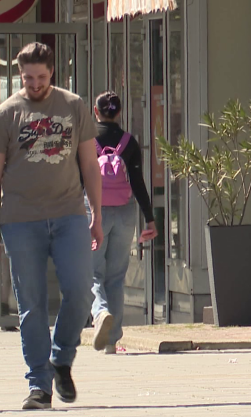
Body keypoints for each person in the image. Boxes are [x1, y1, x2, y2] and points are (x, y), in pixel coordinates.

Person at [0, 42, 103, 410]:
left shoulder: (73, 106)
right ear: (20, 76)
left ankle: (61, 359)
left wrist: (96, 214)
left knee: (81, 292)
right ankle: (39, 385)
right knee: (31, 303)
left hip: (68, 214)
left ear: (52, 72)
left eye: (41, 77)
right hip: (21, 220)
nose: (35, 84)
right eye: (28, 78)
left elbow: (90, 166)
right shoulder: (6, 114)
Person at [88, 92, 158, 354]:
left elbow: (76, 180)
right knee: (116, 277)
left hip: (94, 212)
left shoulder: (87, 140)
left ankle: (100, 313)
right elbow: (138, 183)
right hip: (125, 212)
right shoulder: (129, 142)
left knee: (92, 272)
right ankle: (112, 342)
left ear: (96, 112)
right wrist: (149, 218)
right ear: (119, 113)